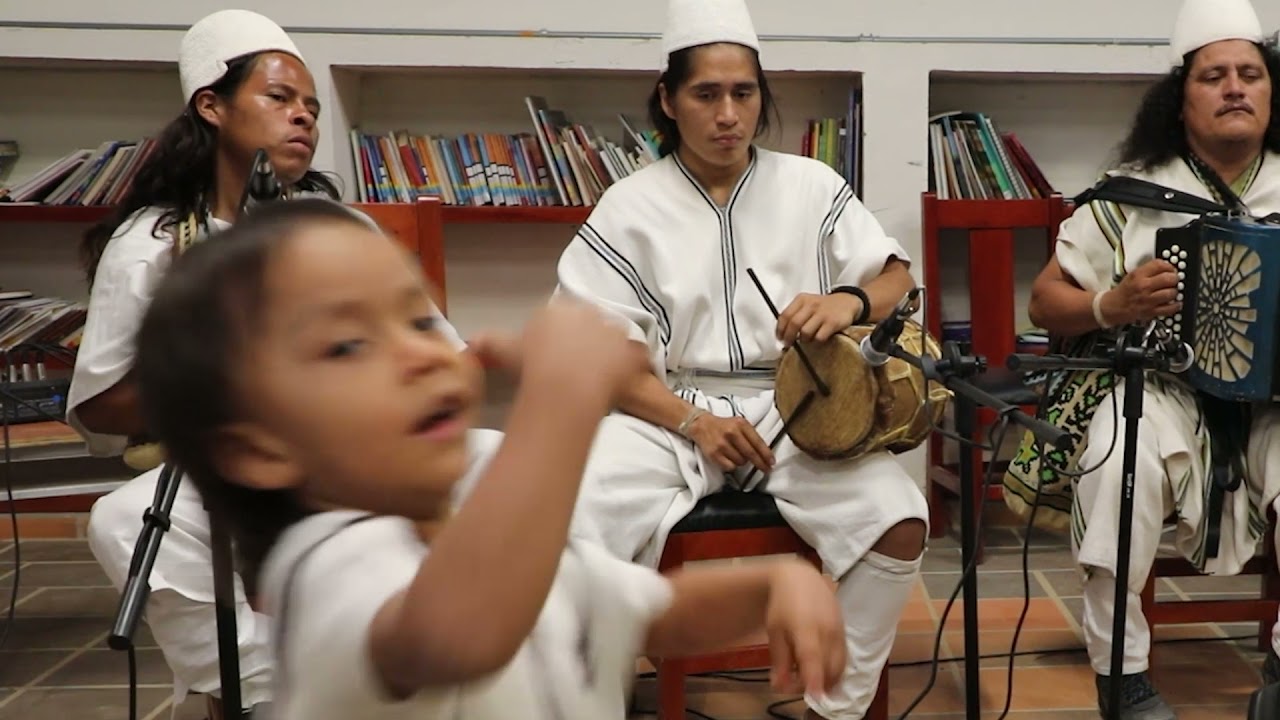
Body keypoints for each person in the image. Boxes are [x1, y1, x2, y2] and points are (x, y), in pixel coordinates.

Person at [129, 197, 848, 720]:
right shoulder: (326, 568)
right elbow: (456, 632)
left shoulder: (488, 541)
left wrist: (768, 588)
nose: (420, 352)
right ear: (260, 447)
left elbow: (646, 611)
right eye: (348, 345)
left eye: (417, 318)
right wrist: (560, 403)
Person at [65, 10, 499, 718]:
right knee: (123, 521)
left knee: (505, 459)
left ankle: (486, 658)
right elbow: (100, 404)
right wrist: (236, 383)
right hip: (228, 468)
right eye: (280, 99)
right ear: (212, 105)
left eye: (312, 108)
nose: (303, 117)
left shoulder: (342, 230)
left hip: (362, 455)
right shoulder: (151, 243)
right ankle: (289, 692)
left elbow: (445, 352)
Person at [554, 1, 927, 717]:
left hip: (799, 406)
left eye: (744, 93)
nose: (728, 114)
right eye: (706, 94)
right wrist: (695, 422)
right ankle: (579, 698)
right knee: (565, 515)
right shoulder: (627, 207)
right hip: (666, 413)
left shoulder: (811, 186)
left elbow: (895, 277)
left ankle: (833, 709)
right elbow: (599, 357)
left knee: (897, 518)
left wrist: (848, 300)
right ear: (668, 100)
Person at [1023, 0, 1280, 716]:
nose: (1235, 88)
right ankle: (1122, 674)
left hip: (1276, 405)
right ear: (1180, 97)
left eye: (1251, 74)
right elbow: (1045, 302)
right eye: (1215, 76)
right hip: (1165, 391)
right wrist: (1114, 304)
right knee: (1117, 460)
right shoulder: (1132, 196)